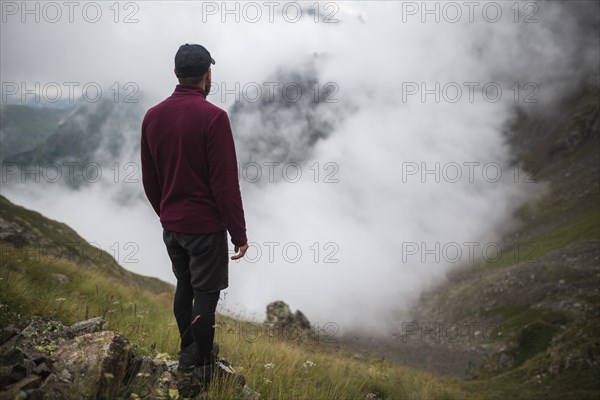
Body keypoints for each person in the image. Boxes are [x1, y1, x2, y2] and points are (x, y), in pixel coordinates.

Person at [140, 43, 248, 394]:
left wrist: (167, 214)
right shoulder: (214, 118)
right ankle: (201, 365)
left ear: (175, 74)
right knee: (206, 294)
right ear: (208, 74)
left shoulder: (153, 116)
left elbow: (150, 177)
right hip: (205, 229)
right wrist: (239, 233)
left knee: (184, 286)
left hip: (172, 227)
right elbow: (225, 183)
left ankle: (189, 352)